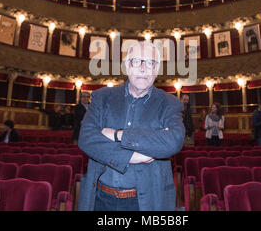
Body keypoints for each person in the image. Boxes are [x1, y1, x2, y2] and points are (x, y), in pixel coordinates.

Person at [78, 41, 185, 211]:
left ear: (156, 70)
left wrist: (117, 135)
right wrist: (129, 156)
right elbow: (86, 138)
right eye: (136, 61)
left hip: (147, 202)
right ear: (127, 66)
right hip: (99, 198)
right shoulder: (102, 97)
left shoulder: (170, 104)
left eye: (150, 63)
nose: (143, 68)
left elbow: (173, 142)